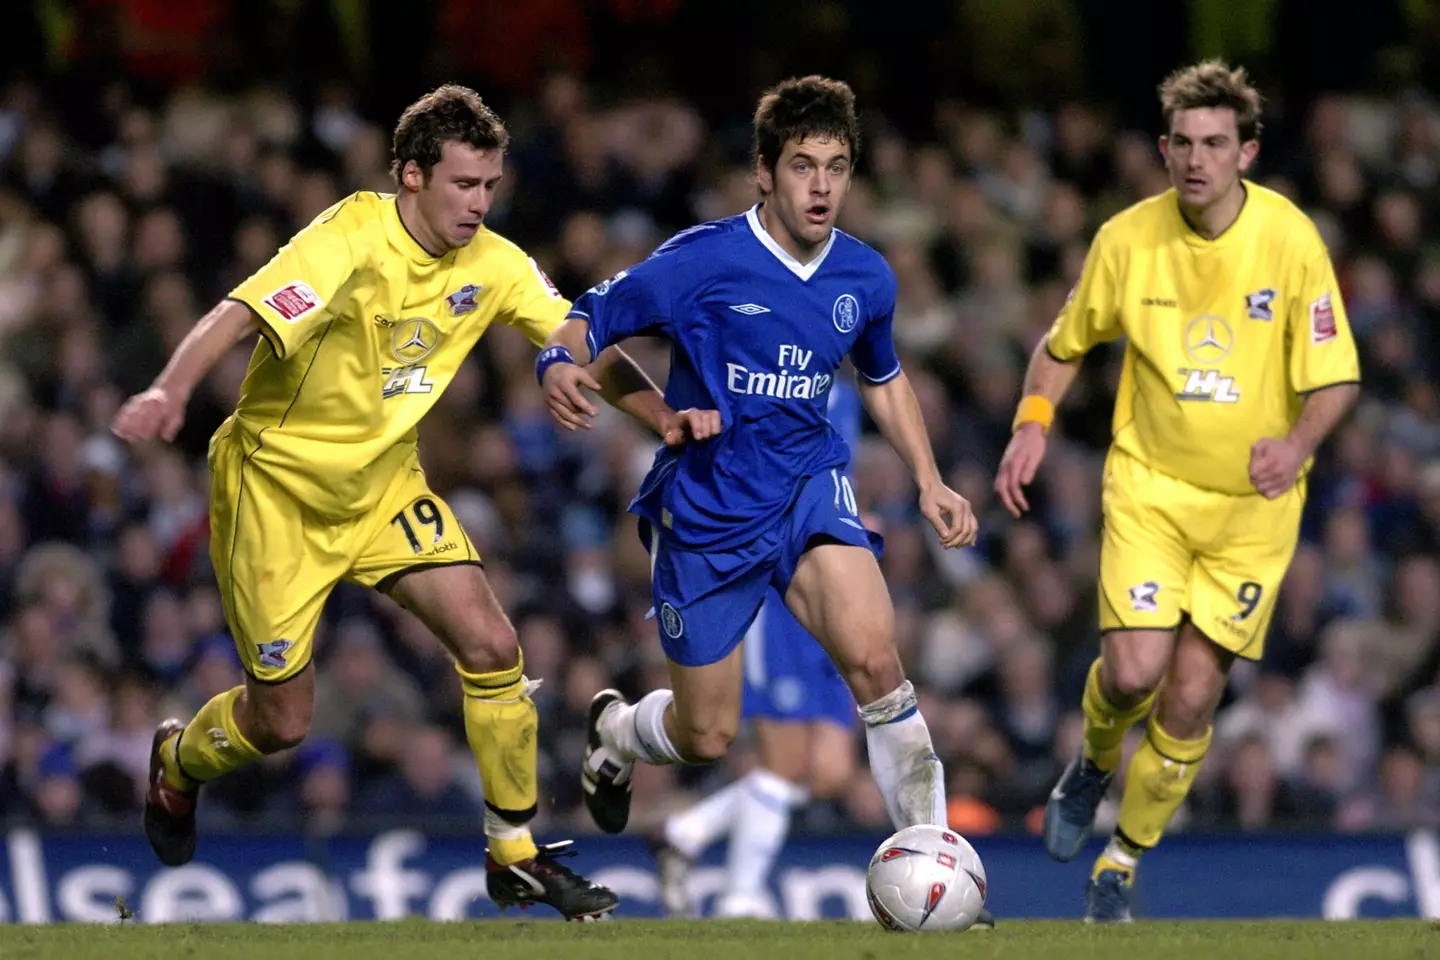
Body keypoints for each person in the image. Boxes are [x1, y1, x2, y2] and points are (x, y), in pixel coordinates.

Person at [110, 84, 705, 921]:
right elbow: (239, 315)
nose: (479, 204)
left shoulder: (492, 262)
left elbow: (581, 342)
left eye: (490, 187)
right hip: (276, 494)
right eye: (464, 185)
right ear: (412, 177)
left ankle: (514, 853)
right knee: (282, 721)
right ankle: (177, 762)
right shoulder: (349, 238)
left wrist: (664, 420)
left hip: (384, 486)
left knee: (494, 643)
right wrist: (171, 389)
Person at [536, 75, 987, 921]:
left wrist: (929, 480)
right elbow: (586, 324)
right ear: (764, 174)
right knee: (707, 735)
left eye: (837, 167)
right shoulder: (701, 261)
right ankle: (617, 734)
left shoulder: (865, 275)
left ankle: (935, 885)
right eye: (804, 166)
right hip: (708, 514)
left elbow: (883, 379)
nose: (821, 186)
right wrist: (558, 364)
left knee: (878, 662)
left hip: (810, 490)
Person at [994, 60, 1360, 923]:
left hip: (1251, 510)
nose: (1198, 160)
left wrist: (1298, 442)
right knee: (1131, 674)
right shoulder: (1126, 239)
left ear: (1248, 152)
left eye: (1216, 144)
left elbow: (1338, 378)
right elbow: (1062, 342)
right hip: (1152, 490)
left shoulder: (1291, 240)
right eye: (1183, 144)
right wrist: (1032, 421)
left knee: (1193, 697)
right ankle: (1091, 761)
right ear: (1163, 151)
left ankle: (1120, 863)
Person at [648, 378, 865, 920]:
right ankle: (740, 896)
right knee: (785, 759)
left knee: (833, 771)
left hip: (830, 578)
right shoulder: (767, 376)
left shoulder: (848, 391)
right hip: (777, 580)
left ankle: (686, 831)